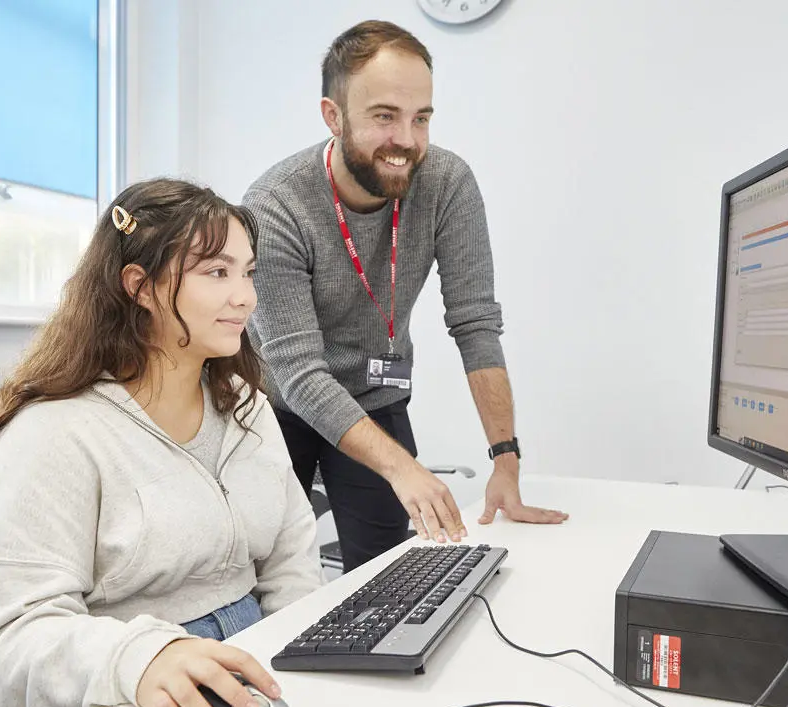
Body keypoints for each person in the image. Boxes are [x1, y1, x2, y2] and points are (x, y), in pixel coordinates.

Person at [0, 178, 322, 707]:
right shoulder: (53, 431)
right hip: (129, 692)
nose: (246, 296)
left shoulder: (248, 407)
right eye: (216, 272)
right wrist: (140, 657)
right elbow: (3, 641)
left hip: (260, 670)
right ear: (141, 287)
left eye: (248, 272)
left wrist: (304, 655)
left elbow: (292, 556)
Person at [243, 20, 567, 574]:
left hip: (374, 393)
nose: (408, 141)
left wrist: (505, 461)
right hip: (276, 406)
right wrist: (404, 468)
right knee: (270, 572)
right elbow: (299, 375)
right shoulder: (276, 206)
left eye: (421, 118)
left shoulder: (446, 183)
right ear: (333, 116)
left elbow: (475, 323)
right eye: (385, 117)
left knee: (389, 573)